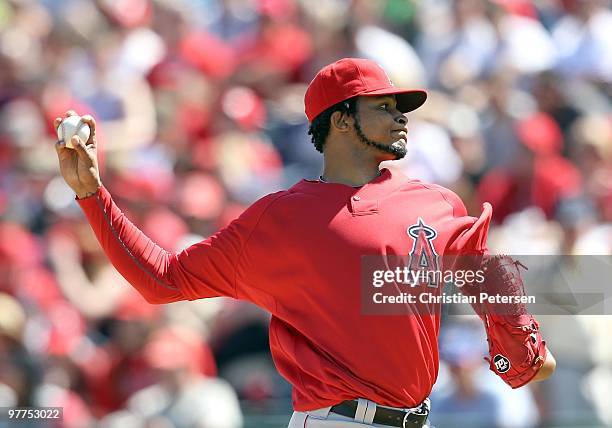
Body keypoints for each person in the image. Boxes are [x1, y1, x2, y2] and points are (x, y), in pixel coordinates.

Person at [53, 58, 555, 428]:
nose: (401, 117)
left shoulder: (435, 202)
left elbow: (486, 271)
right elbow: (162, 280)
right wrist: (92, 196)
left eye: (399, 108)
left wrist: (523, 349)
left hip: (416, 419)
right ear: (340, 120)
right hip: (337, 421)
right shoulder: (279, 220)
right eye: (383, 107)